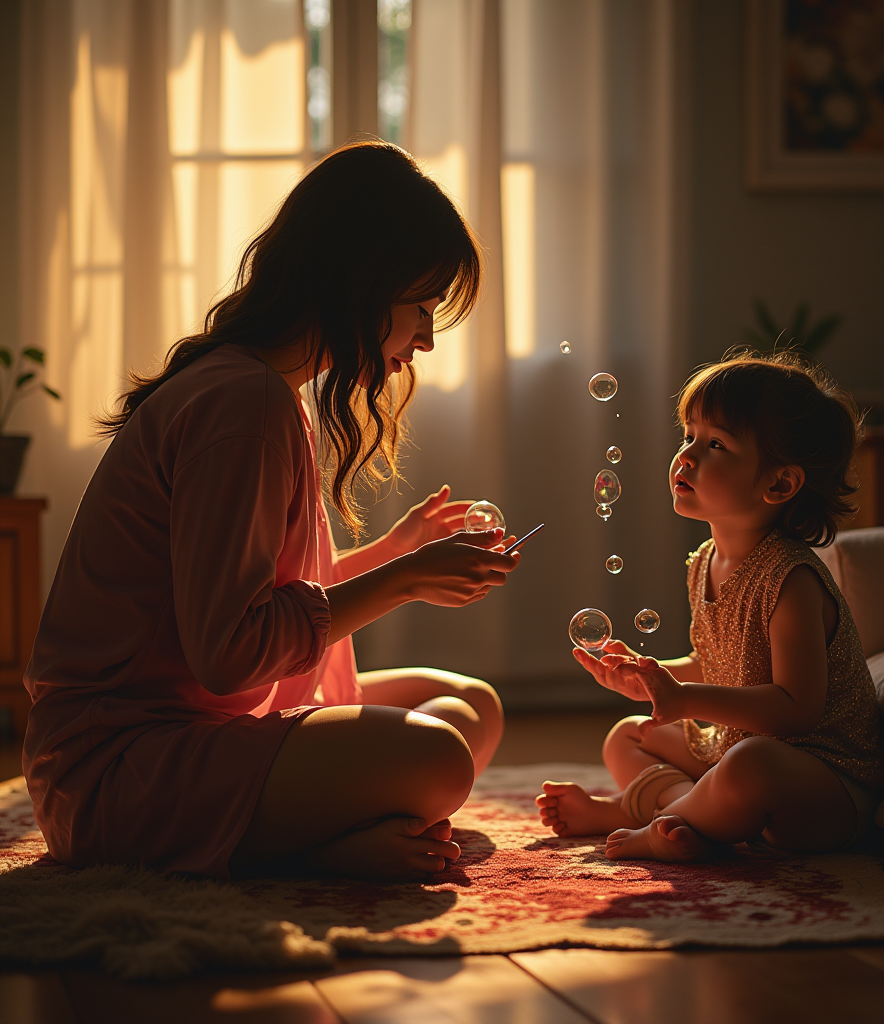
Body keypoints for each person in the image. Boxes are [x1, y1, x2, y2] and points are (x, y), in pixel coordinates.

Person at [23, 141, 518, 883]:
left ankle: (335, 818)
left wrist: (394, 553)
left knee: (466, 701)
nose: (426, 338)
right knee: (438, 754)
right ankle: (310, 848)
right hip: (119, 773)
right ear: (360, 283)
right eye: (420, 306)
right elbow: (229, 656)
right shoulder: (243, 403)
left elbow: (245, 600)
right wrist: (407, 579)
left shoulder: (259, 390)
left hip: (178, 738)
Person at [537, 352, 884, 863]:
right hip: (734, 748)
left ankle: (648, 814)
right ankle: (688, 815)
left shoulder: (791, 580)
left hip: (820, 784)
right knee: (628, 736)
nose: (687, 456)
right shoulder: (704, 561)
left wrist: (685, 700)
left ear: (779, 484)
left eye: (716, 444)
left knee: (752, 763)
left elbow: (796, 709)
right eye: (688, 437)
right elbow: (718, 668)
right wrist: (651, 681)